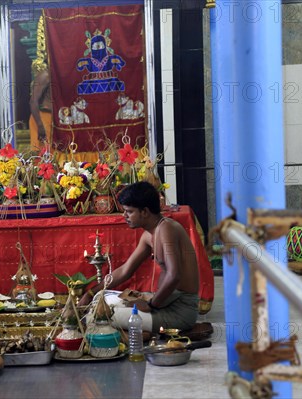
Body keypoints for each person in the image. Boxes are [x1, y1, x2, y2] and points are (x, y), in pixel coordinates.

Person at [79, 181, 199, 333]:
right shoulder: (149, 234)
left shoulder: (166, 228)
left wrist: (151, 305)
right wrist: (91, 293)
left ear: (145, 212)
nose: (124, 216)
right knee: (100, 300)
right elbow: (125, 271)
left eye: (129, 211)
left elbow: (174, 275)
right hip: (161, 302)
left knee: (96, 316)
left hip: (178, 311)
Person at [29, 67, 53, 151]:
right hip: (42, 118)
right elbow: (33, 101)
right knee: (43, 154)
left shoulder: (59, 75)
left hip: (56, 119)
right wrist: (40, 125)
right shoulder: (45, 75)